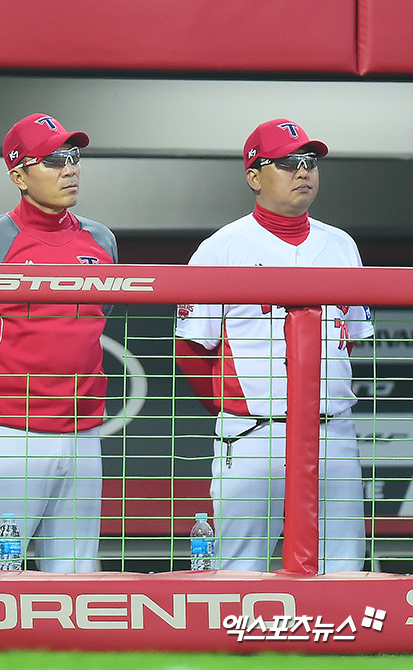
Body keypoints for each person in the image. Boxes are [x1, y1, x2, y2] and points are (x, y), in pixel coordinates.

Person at [174, 118, 373, 572]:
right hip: (254, 433)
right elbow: (192, 349)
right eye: (286, 163)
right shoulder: (222, 248)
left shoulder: (341, 245)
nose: (303, 171)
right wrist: (235, 410)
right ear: (254, 176)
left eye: (309, 162)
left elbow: (351, 342)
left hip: (332, 431)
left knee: (343, 568)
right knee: (239, 571)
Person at [0, 113, 117, 572]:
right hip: (10, 434)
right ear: (19, 176)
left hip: (83, 432)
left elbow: (97, 321)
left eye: (74, 157)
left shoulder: (101, 240)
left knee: (77, 572)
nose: (70, 169)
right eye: (54, 160)